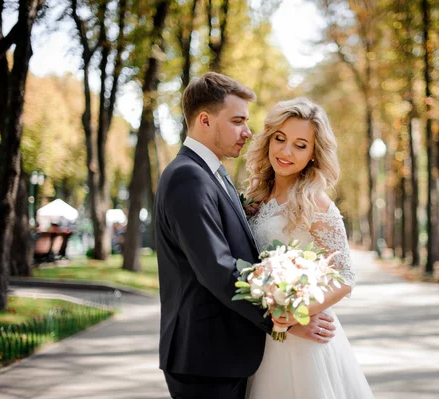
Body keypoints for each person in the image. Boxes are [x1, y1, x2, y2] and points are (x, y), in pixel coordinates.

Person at [154, 73, 336, 399]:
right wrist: (286, 321)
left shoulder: (215, 173)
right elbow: (218, 268)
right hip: (205, 357)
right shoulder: (188, 177)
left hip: (228, 354)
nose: (248, 132)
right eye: (238, 121)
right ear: (205, 120)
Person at [244, 98, 374, 399]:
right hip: (263, 336)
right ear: (268, 139)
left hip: (304, 339)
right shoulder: (256, 198)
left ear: (314, 153)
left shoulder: (316, 202)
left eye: (300, 145)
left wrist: (296, 313)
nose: (286, 151)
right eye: (280, 139)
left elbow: (344, 276)